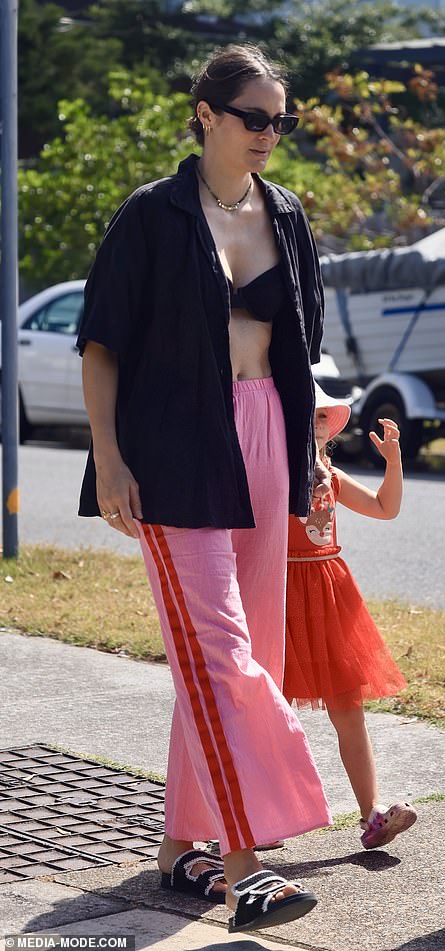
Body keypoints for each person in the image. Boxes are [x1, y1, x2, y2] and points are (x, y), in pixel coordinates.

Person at [76, 43, 333, 933]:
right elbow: (102, 344)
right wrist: (109, 459)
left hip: (267, 434)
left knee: (238, 650)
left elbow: (304, 345)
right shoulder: (151, 215)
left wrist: (312, 458)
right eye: (255, 117)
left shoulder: (289, 214)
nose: (270, 133)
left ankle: (179, 847)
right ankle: (246, 861)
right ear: (206, 115)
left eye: (281, 119)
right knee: (222, 652)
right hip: (176, 447)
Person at [283, 384, 418, 849]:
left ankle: (372, 813)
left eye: (323, 417)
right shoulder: (269, 472)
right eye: (307, 415)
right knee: (271, 708)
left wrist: (393, 462)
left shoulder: (331, 477)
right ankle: (263, 814)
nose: (316, 425)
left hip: (328, 592)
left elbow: (386, 508)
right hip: (279, 593)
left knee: (349, 708)